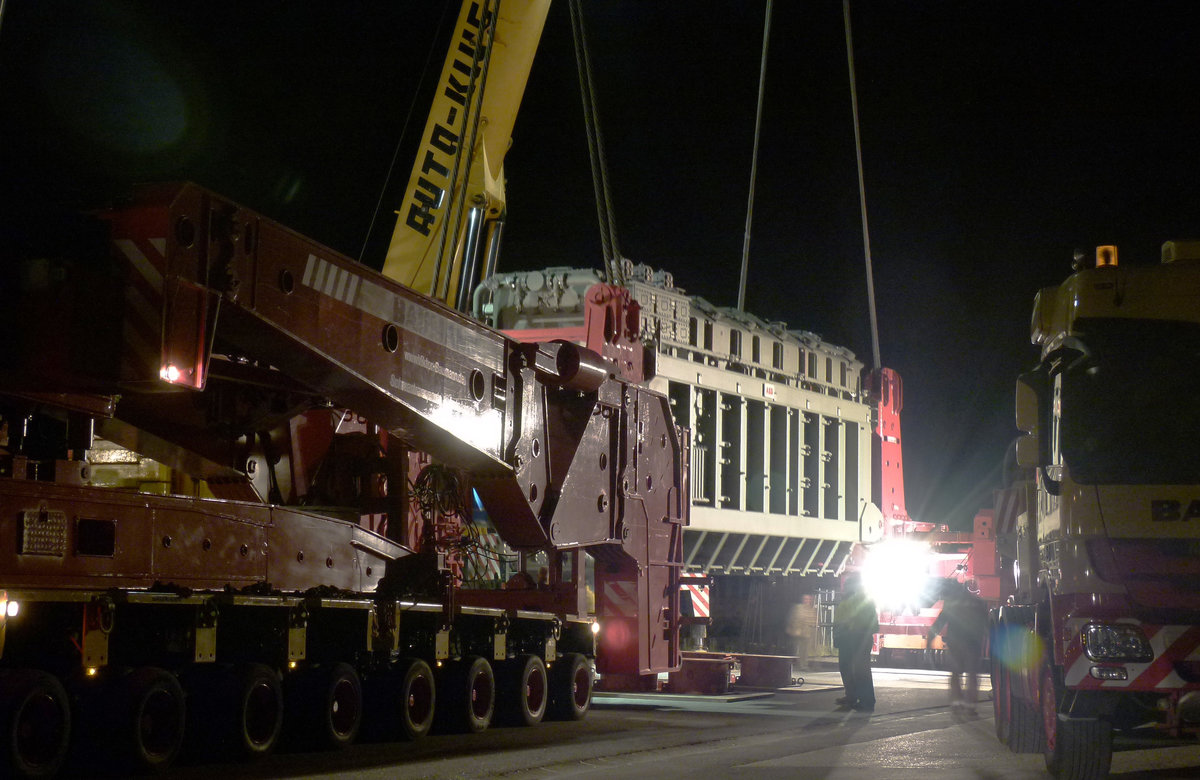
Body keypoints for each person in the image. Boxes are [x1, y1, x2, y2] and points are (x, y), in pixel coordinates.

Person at [927, 579, 988, 713]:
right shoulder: (979, 603)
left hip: (956, 644)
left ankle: (956, 703)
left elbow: (939, 622)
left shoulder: (952, 604)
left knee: (955, 674)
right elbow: (987, 625)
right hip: (973, 644)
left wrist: (929, 641)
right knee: (972, 675)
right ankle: (971, 706)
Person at [833, 573, 878, 712]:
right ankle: (853, 696)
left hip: (857, 637)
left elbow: (853, 619)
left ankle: (866, 701)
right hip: (849, 637)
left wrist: (847, 630)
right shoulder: (853, 599)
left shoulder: (860, 599)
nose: (844, 588)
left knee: (860, 670)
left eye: (847, 585)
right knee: (847, 667)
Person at [784, 594, 819, 669]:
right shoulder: (798, 608)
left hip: (807, 633)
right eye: (805, 599)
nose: (807, 601)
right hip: (798, 633)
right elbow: (793, 619)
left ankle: (803, 664)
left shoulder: (811, 609)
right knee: (797, 649)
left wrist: (813, 630)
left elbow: (813, 620)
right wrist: (793, 628)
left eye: (808, 599)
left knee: (805, 650)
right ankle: (796, 664)